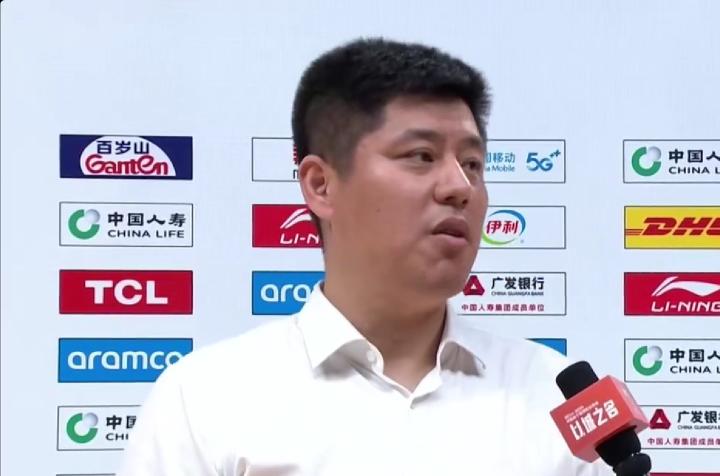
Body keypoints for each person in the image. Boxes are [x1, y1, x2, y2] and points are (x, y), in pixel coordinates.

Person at [119, 38, 614, 475]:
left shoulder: (555, 395)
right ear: (321, 185)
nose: (460, 186)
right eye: (421, 156)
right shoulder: (205, 398)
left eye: (472, 163)